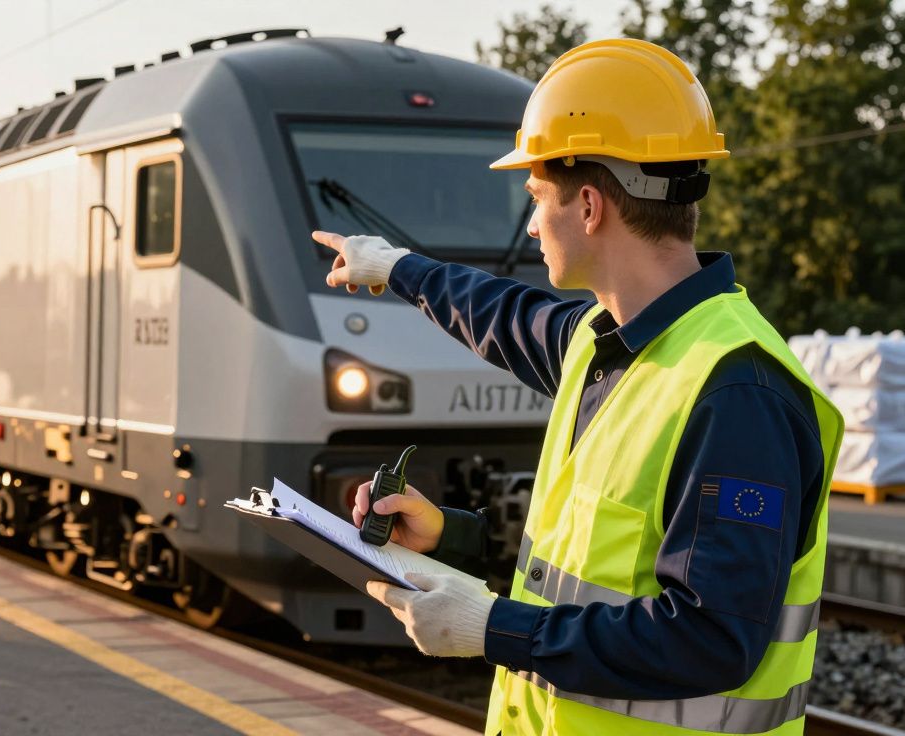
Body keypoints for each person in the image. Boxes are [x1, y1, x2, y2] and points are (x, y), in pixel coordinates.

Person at [313, 39, 843, 736]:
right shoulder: (605, 342)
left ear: (589, 206)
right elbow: (502, 314)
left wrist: (492, 628)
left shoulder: (736, 393)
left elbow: (712, 641)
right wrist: (397, 268)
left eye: (535, 196)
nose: (531, 223)